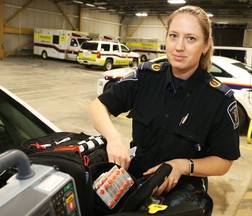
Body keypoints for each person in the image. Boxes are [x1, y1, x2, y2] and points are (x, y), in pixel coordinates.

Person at [89, 5, 240, 215]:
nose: (179, 46)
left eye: (191, 39)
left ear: (205, 45)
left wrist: (181, 165)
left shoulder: (219, 100)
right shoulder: (145, 77)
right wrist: (113, 138)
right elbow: (98, 106)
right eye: (173, 36)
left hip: (183, 193)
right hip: (135, 181)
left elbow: (224, 161)